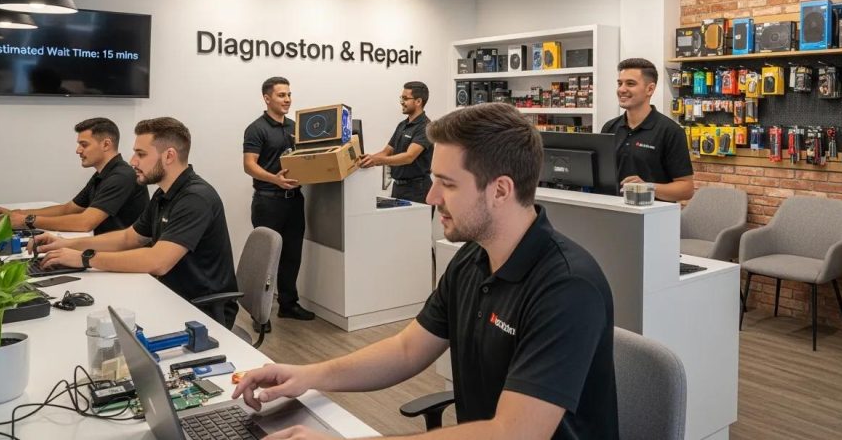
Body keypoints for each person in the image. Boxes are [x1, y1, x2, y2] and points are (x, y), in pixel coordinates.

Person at [231, 103, 618, 440]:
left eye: (447, 184)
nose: (432, 197)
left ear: (500, 190)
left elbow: (512, 434)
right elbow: (407, 350)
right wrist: (309, 375)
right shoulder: (472, 260)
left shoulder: (567, 287)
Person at [34, 117, 240, 328]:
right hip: (167, 295)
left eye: (141, 154)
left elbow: (158, 262)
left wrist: (85, 259)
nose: (133, 161)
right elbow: (128, 238)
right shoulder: (163, 194)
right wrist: (66, 244)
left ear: (169, 156)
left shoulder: (195, 198)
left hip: (200, 311)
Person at [0, 117, 148, 234]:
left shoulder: (122, 176)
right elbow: (68, 209)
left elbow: (85, 223)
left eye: (84, 145)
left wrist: (27, 220)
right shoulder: (103, 174)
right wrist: (14, 214)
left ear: (106, 144)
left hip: (126, 256)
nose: (78, 150)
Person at [243, 77, 313, 321]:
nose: (287, 99)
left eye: (289, 94)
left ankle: (288, 305)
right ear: (267, 98)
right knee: (266, 258)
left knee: (292, 255)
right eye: (282, 95)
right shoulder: (256, 128)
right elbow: (249, 165)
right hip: (268, 201)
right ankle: (258, 315)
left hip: (294, 200)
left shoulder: (295, 127)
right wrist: (275, 179)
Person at [601, 58, 694, 202]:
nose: (621, 89)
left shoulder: (671, 131)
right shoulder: (609, 127)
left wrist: (648, 187)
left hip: (652, 214)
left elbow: (686, 189)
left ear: (650, 89)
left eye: (630, 84)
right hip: (613, 210)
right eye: (620, 83)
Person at [359, 81, 434, 204]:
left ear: (418, 101)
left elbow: (409, 157)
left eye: (405, 98)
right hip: (398, 188)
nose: (402, 102)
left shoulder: (425, 127)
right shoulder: (402, 125)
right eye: (401, 98)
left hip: (417, 190)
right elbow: (386, 152)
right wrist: (367, 159)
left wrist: (377, 161)